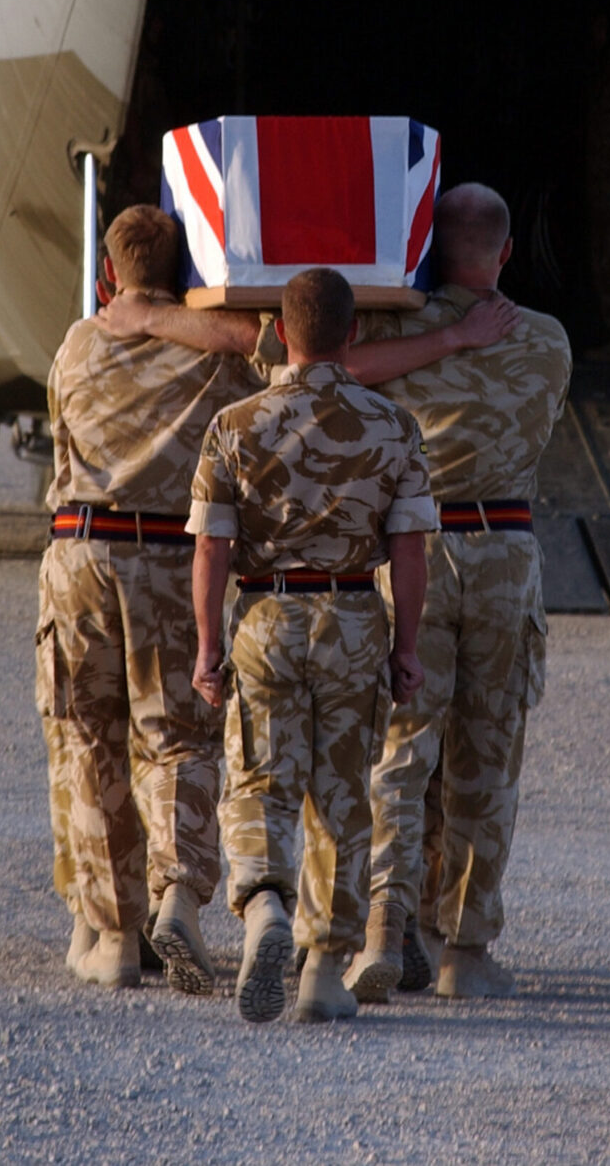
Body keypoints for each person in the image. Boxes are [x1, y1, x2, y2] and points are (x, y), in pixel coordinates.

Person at [187, 267, 435, 1024]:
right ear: (352, 332)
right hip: (355, 615)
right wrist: (407, 647)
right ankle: (324, 970)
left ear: (281, 332)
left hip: (266, 615)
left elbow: (211, 549)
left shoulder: (235, 423)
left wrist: (207, 648)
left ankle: (265, 903)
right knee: (342, 795)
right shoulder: (394, 425)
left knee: (260, 780)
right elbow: (411, 548)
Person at [344, 182, 571, 1001]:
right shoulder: (547, 341)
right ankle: (462, 952)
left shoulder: (395, 337)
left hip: (417, 550)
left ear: (431, 251)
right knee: (487, 754)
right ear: (506, 251)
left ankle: (382, 924)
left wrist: (438, 337)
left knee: (401, 750)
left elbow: (332, 366)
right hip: (505, 552)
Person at [36, 204, 265, 993]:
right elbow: (278, 349)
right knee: (178, 738)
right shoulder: (216, 359)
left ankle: (113, 935)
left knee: (90, 737)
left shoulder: (77, 344)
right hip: (172, 557)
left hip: (81, 550)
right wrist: (185, 319)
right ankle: (178, 897)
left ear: (108, 275)